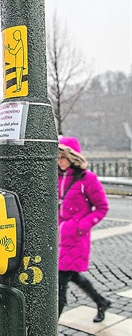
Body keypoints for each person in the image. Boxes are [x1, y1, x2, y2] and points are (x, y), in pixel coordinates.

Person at [57, 136, 110, 322]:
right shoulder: (57, 176)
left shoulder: (87, 179)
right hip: (59, 238)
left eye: (62, 157)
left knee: (59, 285)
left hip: (75, 239)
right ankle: (101, 301)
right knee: (73, 276)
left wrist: (81, 226)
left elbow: (102, 207)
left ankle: (47, 332)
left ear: (72, 157)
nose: (59, 161)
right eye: (57, 157)